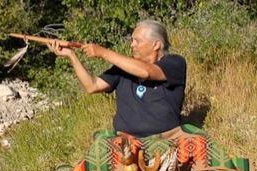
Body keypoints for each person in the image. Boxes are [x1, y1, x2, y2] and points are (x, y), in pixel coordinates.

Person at [48, 19, 187, 139]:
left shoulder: (174, 63)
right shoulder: (123, 69)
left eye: (137, 41)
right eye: (132, 40)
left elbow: (147, 72)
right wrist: (71, 55)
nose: (132, 45)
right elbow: (92, 86)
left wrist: (102, 52)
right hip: (126, 141)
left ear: (156, 44)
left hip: (166, 138)